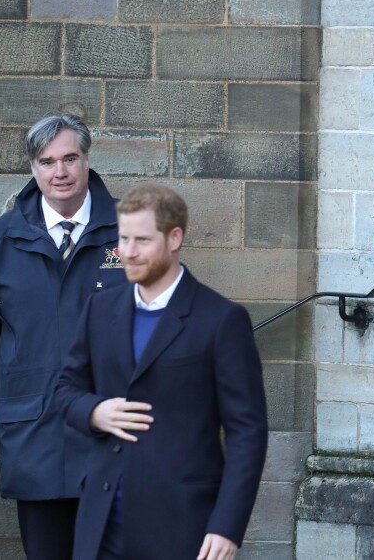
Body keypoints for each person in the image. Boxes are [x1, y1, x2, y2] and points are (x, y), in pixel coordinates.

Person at [55, 183, 268, 560]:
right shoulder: (100, 309)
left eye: (142, 240)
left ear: (174, 238)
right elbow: (66, 388)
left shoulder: (222, 320)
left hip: (182, 527)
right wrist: (93, 411)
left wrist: (227, 525)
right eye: (123, 239)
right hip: (100, 523)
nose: (129, 252)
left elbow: (247, 432)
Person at [0, 114, 126, 559]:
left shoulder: (130, 234)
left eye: (70, 157)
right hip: (35, 441)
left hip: (114, 439)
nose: (60, 172)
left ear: (87, 160)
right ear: (33, 168)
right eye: (47, 161)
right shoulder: (2, 241)